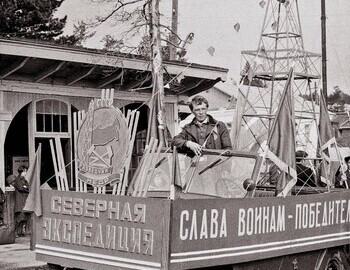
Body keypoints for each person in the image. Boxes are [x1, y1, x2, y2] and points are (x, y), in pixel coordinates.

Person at [12, 166, 30, 237]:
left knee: (24, 217)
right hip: (20, 200)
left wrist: (25, 187)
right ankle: (16, 232)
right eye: (25, 171)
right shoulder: (17, 179)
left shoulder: (26, 179)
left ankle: (22, 231)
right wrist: (25, 187)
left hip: (25, 200)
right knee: (19, 218)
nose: (26, 173)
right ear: (21, 172)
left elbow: (28, 187)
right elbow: (20, 188)